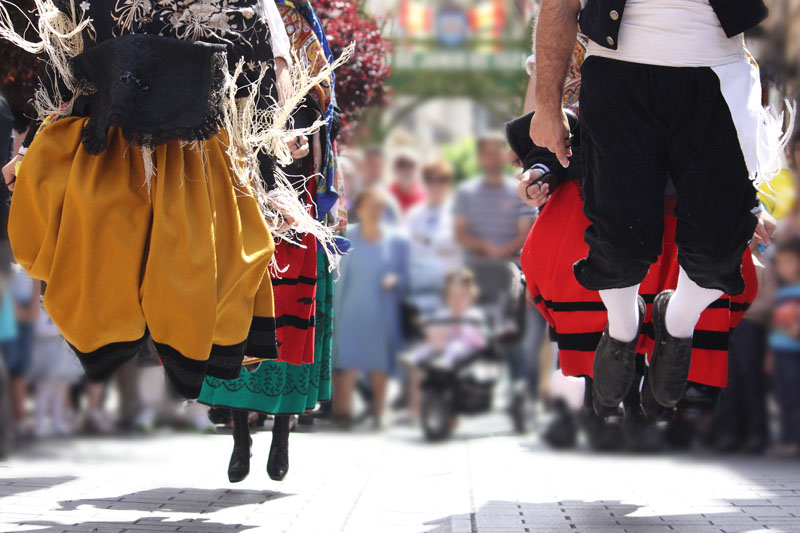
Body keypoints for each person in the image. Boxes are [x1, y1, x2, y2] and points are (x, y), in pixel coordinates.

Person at [0, 0, 334, 399]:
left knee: (184, 292)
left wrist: (271, 173)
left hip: (189, 162)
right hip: (112, 154)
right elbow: (65, 69)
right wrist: (28, 151)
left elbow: (254, 79)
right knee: (104, 290)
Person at [530, 0, 780, 414]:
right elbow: (560, 5)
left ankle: (677, 323)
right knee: (618, 244)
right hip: (618, 74)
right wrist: (547, 106)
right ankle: (622, 329)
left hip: (719, 75)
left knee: (719, 251)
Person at [333, 188, 410, 428]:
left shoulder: (396, 240)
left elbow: (407, 273)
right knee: (346, 362)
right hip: (350, 309)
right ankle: (342, 412)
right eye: (371, 205)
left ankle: (380, 410)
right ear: (361, 208)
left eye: (380, 206)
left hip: (381, 311)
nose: (376, 211)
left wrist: (396, 279)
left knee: (379, 362)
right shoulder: (347, 237)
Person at [401, 269, 487, 420]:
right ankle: (415, 357)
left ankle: (445, 361)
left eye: (461, 296)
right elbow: (433, 332)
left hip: (467, 349)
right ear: (446, 297)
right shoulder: (445, 314)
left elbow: (479, 338)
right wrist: (429, 329)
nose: (457, 301)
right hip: (443, 347)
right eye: (452, 296)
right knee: (428, 347)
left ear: (471, 297)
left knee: (455, 346)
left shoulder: (473, 315)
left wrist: (461, 329)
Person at [405, 160, 462, 317]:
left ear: (449, 183)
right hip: (418, 292)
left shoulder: (459, 215)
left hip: (450, 293)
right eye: (430, 179)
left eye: (441, 180)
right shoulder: (413, 216)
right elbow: (408, 254)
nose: (435, 185)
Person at [769, 236, 800, 457]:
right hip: (780, 351)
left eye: (788, 261)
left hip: (795, 353)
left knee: (795, 397)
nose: (783, 268)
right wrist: (770, 355)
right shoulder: (782, 291)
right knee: (784, 397)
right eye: (780, 262)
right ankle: (787, 439)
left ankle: (795, 440)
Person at [388, 149, 426, 215]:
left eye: (410, 164)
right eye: (401, 164)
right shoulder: (385, 196)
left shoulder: (426, 197)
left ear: (418, 168)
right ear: (393, 168)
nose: (406, 169)